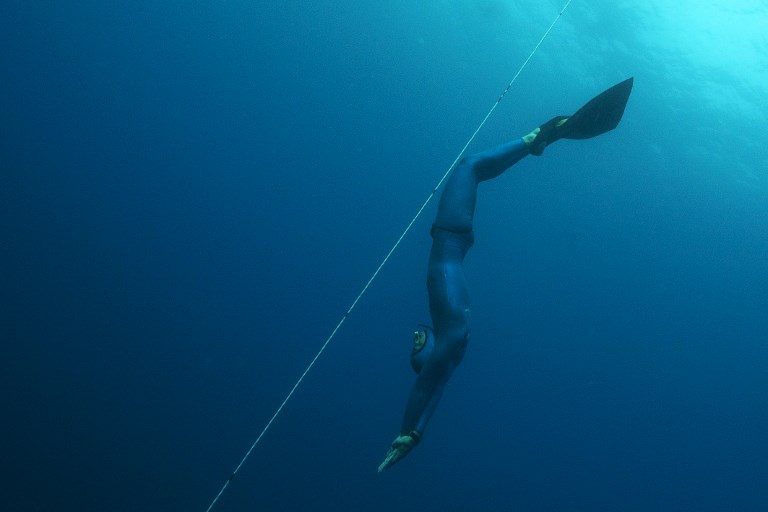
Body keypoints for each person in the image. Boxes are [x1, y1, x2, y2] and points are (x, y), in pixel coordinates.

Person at [378, 78, 634, 472]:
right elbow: (428, 384)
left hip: (454, 244)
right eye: (417, 344)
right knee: (469, 167)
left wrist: (413, 432)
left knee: (471, 168)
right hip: (449, 237)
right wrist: (409, 430)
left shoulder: (447, 350)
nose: (416, 336)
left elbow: (435, 385)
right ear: (427, 355)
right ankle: (540, 135)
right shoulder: (447, 344)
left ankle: (541, 137)